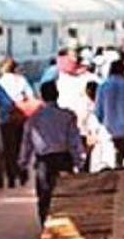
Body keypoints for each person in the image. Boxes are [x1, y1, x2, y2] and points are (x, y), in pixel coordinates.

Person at [20, 81, 86, 224]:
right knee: (65, 194)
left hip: (44, 161)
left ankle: (46, 225)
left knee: (44, 196)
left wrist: (23, 163)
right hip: (63, 159)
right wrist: (79, 162)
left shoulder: (34, 119)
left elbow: (27, 143)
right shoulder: (67, 116)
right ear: (57, 95)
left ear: (42, 97)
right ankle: (67, 223)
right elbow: (74, 141)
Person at [0, 57, 36, 189]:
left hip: (5, 120)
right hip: (21, 119)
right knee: (21, 147)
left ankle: (11, 178)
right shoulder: (22, 80)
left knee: (8, 150)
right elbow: (31, 98)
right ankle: (22, 172)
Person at [95, 60, 124, 170]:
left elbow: (98, 111)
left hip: (108, 130)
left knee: (109, 165)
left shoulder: (103, 86)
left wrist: (104, 122)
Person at [81, 80, 116, 173]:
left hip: (100, 155)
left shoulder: (93, 116)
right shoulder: (112, 111)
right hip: (112, 152)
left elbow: (91, 140)